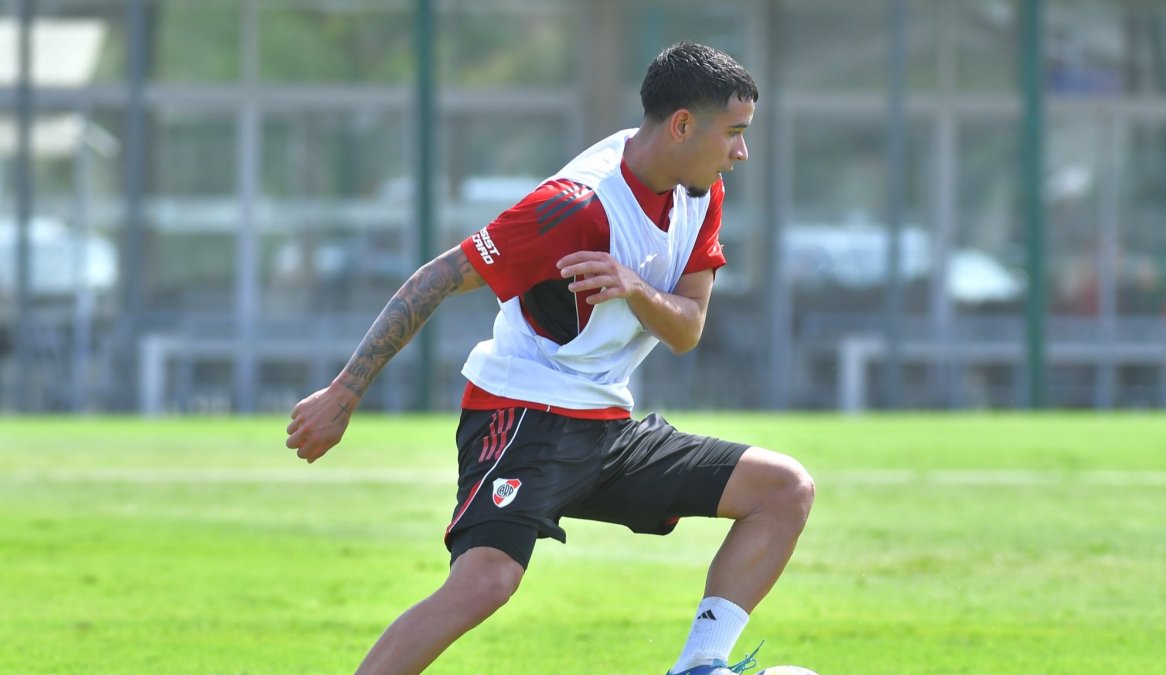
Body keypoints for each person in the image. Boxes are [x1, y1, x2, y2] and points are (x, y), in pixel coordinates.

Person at [286, 41, 815, 675]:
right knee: (486, 583)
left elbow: (688, 329)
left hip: (606, 426)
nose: (741, 151)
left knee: (783, 489)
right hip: (523, 412)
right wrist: (344, 393)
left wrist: (633, 285)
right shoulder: (573, 205)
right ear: (681, 126)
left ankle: (699, 667)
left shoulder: (699, 192)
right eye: (733, 133)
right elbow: (436, 278)